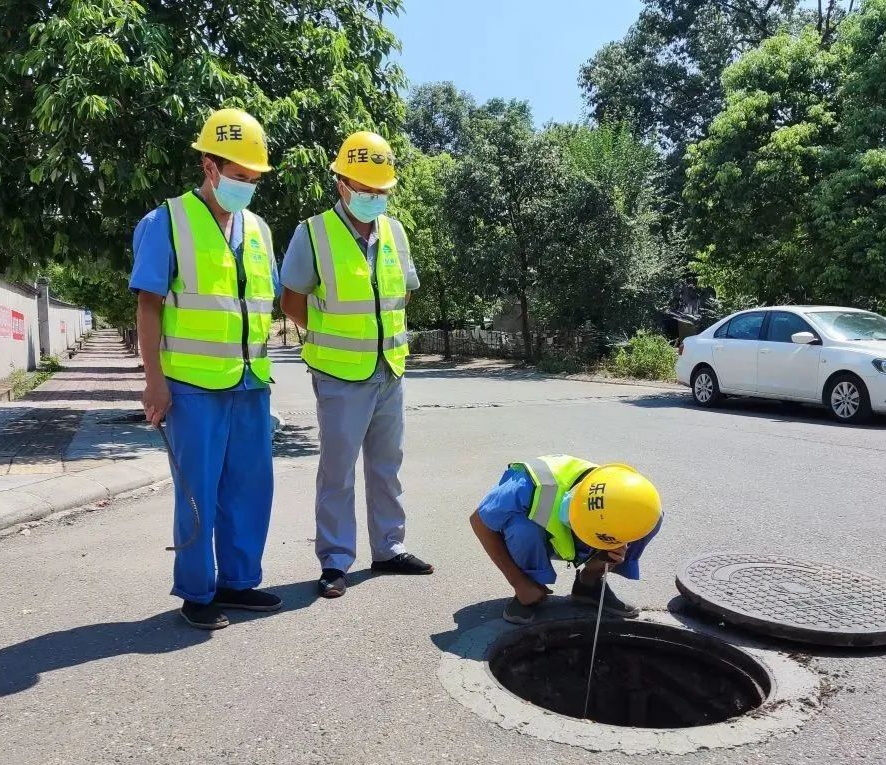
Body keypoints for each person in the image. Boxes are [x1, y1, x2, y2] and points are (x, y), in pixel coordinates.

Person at [130, 108, 282, 629]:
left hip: (250, 383)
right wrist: (154, 382)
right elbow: (149, 305)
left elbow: (261, 305)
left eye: (253, 178)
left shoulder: (258, 230)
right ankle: (198, 593)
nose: (248, 186)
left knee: (250, 486)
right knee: (198, 490)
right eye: (239, 176)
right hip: (191, 387)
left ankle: (240, 582)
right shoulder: (166, 222)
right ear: (209, 166)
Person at [280, 131, 433, 599]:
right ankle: (334, 560)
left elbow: (403, 292)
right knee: (338, 469)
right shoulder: (312, 232)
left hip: (390, 368)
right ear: (342, 182)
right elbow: (291, 300)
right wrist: (334, 337)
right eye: (366, 188)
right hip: (339, 373)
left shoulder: (394, 231)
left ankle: (389, 548)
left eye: (382, 190)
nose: (375, 197)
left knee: (388, 465)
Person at [469, 456, 663, 625]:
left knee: (652, 517)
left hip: (584, 530)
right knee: (522, 527)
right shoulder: (528, 486)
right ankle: (530, 590)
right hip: (537, 535)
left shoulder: (617, 492)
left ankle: (589, 586)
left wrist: (612, 552)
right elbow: (479, 521)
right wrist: (518, 582)